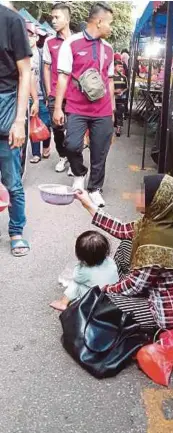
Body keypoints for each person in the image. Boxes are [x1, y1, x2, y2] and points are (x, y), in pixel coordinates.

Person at [75, 174, 173, 330]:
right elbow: (121, 229)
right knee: (127, 243)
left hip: (168, 311)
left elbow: (133, 286)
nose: (136, 195)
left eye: (143, 194)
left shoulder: (156, 244)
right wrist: (87, 203)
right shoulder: (162, 220)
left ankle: (152, 330)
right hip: (163, 288)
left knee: (102, 303)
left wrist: (105, 289)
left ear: (156, 202)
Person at [53, 2, 115, 208]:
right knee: (71, 144)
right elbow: (63, 77)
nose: (111, 28)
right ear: (99, 21)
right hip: (77, 108)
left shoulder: (109, 48)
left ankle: (95, 189)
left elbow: (110, 80)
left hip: (103, 109)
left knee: (100, 151)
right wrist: (58, 107)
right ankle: (79, 172)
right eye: (109, 23)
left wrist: (112, 110)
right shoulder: (71, 43)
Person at [0, 2, 32, 256]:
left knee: (11, 179)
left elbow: (25, 72)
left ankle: (16, 231)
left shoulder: (11, 20)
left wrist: (19, 120)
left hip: (6, 106)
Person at [50, 230, 118, 311]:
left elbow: (76, 277)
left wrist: (80, 265)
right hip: (113, 298)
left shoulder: (85, 271)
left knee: (76, 284)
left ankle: (63, 303)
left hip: (95, 302)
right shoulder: (110, 261)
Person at [43, 2, 72, 173]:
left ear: (67, 19)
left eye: (57, 17)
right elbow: (46, 67)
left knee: (74, 129)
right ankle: (63, 156)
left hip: (75, 94)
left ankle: (74, 158)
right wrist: (48, 92)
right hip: (55, 94)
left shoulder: (77, 41)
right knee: (58, 129)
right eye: (52, 17)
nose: (53, 21)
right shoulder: (49, 42)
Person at [26, 23, 51, 164]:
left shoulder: (42, 55)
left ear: (36, 38)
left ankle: (46, 146)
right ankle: (36, 153)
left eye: (31, 35)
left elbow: (46, 75)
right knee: (32, 125)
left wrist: (48, 95)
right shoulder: (22, 54)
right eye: (26, 36)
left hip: (42, 96)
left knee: (45, 123)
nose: (28, 39)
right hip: (27, 97)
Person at [113, 60, 128, 137]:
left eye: (122, 66)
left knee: (119, 113)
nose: (121, 68)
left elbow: (126, 87)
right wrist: (114, 91)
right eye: (119, 66)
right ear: (114, 67)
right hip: (112, 99)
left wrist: (122, 92)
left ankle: (118, 129)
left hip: (121, 99)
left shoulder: (124, 77)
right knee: (112, 113)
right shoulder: (110, 77)